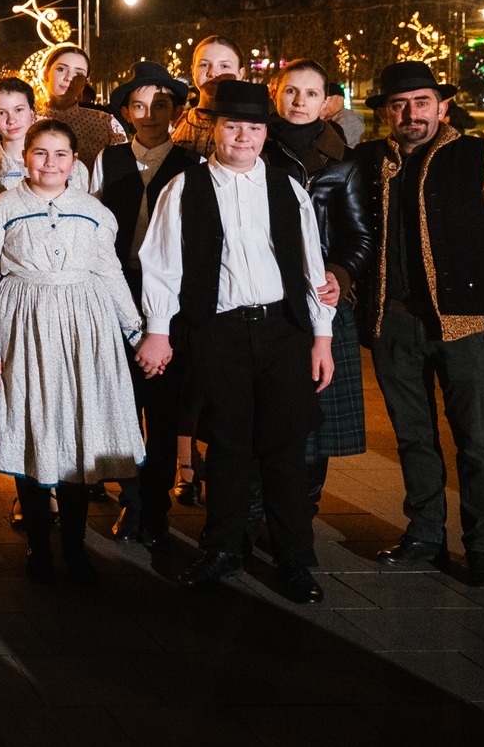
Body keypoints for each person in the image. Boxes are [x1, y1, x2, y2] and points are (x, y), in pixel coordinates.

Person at [137, 78, 337, 605]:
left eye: (254, 127)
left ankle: (294, 558)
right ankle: (222, 549)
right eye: (233, 126)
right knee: (227, 449)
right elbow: (160, 265)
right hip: (218, 332)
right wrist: (158, 330)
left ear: (266, 133)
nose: (244, 137)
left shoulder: (287, 188)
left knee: (285, 451)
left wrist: (321, 337)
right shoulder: (184, 187)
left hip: (283, 331)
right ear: (215, 130)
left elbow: (311, 266)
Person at [355, 60, 484, 588]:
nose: (411, 113)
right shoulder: (368, 162)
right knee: (413, 436)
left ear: (442, 106)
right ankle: (425, 533)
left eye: (422, 102)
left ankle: (482, 548)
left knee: (475, 439)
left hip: (466, 323)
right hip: (394, 322)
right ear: (386, 112)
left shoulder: (476, 156)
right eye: (399, 104)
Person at [0, 120, 144, 584]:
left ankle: (75, 545)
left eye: (61, 154)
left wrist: (134, 329)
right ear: (25, 156)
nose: (51, 163)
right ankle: (39, 547)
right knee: (33, 424)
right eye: (41, 153)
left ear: (75, 161)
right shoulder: (0, 210)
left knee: (77, 429)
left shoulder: (92, 211)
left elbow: (109, 271)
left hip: (83, 325)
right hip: (25, 324)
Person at [86, 60, 200, 543]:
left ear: (174, 111)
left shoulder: (192, 164)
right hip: (117, 291)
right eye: (139, 105)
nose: (149, 114)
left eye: (160, 105)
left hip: (172, 298)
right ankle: (132, 500)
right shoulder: (108, 159)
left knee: (164, 406)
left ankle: (156, 507)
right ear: (127, 112)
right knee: (122, 403)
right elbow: (91, 225)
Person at [265, 60, 376, 524]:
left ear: (326, 102)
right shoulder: (255, 149)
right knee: (264, 415)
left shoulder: (343, 161)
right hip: (265, 299)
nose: (299, 102)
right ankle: (256, 514)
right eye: (291, 91)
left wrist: (339, 274)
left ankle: (302, 514)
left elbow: (361, 236)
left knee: (318, 418)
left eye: (311, 94)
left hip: (322, 303)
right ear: (275, 92)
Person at [0, 78, 88, 216]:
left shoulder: (74, 167)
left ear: (32, 111)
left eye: (19, 110)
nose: (11, 120)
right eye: (1, 112)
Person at [170, 35, 244, 155]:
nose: (213, 73)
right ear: (193, 70)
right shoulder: (175, 121)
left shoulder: (250, 127)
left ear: (240, 73)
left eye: (224, 66)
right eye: (204, 65)